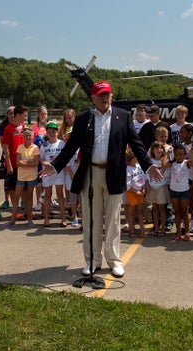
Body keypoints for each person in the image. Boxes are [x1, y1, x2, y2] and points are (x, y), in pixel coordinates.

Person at [40, 81, 161, 279]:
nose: (105, 98)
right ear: (93, 98)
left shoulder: (123, 116)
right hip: (90, 174)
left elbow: (136, 143)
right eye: (101, 95)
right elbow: (72, 147)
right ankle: (92, 261)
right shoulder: (84, 118)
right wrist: (55, 165)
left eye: (108, 94)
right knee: (91, 220)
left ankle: (114, 261)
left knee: (113, 220)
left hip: (114, 173)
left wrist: (148, 165)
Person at [5, 126, 39, 227]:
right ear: (23, 136)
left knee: (29, 198)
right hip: (21, 177)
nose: (28, 137)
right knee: (16, 198)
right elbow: (18, 163)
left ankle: (29, 219)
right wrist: (30, 161)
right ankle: (12, 219)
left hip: (31, 177)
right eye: (26, 136)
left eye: (30, 135)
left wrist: (25, 162)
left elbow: (36, 163)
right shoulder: (20, 147)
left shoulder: (35, 148)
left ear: (33, 136)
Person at [0, 105, 28, 222]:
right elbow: (5, 148)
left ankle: (27, 212)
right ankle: (15, 212)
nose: (26, 117)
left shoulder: (23, 127)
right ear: (18, 115)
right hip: (13, 164)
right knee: (13, 189)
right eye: (24, 115)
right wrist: (9, 164)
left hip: (24, 164)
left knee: (25, 190)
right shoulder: (8, 128)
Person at [39, 121, 67, 226]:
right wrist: (44, 162)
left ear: (57, 132)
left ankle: (63, 219)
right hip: (47, 173)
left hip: (58, 172)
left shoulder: (62, 143)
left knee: (60, 195)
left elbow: (64, 157)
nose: (51, 133)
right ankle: (46, 219)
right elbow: (40, 158)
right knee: (47, 195)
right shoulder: (44, 145)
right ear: (46, 133)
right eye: (49, 132)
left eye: (54, 131)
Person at [168, 144, 193, 242]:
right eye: (176, 154)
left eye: (181, 154)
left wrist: (191, 152)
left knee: (185, 212)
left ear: (184, 155)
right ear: (174, 155)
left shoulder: (186, 163)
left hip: (184, 191)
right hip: (174, 190)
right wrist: (167, 153)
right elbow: (164, 164)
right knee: (177, 212)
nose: (179, 156)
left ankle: (187, 232)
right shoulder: (172, 163)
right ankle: (178, 232)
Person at [146, 141, 169, 237]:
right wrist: (147, 183)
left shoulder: (165, 160)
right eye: (156, 148)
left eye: (160, 148)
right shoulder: (149, 160)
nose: (158, 150)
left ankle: (163, 229)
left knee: (162, 208)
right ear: (152, 150)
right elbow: (146, 172)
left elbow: (167, 172)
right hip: (152, 186)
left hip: (161, 186)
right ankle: (156, 228)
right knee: (154, 208)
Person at [124, 147, 147, 238]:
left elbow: (143, 177)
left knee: (140, 212)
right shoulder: (128, 169)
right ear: (131, 158)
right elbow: (128, 185)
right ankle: (131, 230)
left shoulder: (138, 166)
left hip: (140, 192)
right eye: (136, 157)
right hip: (132, 193)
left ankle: (142, 230)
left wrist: (143, 188)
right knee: (131, 212)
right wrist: (136, 191)